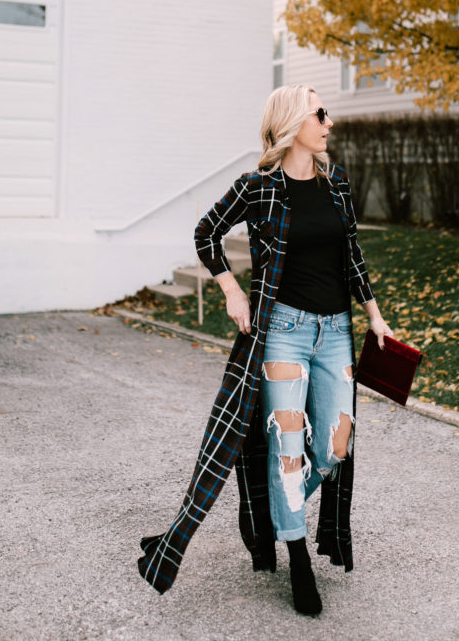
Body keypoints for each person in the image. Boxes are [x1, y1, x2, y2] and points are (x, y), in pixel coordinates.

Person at [138, 84, 392, 615]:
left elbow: (352, 253)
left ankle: (279, 509)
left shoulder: (337, 183)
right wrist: (232, 289)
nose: (329, 123)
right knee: (287, 450)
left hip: (335, 334)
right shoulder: (258, 188)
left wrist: (373, 313)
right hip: (283, 332)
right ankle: (297, 556)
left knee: (335, 445)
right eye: (320, 114)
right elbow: (206, 232)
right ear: (295, 121)